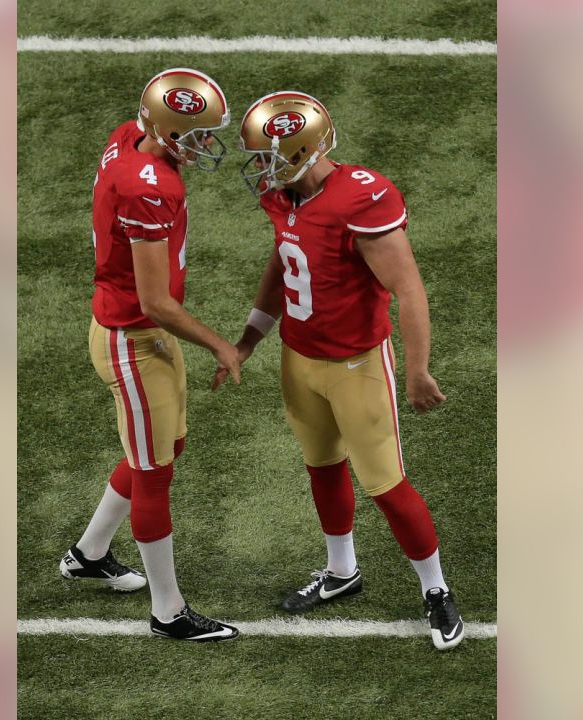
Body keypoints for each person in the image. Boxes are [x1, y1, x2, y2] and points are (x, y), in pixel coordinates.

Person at [218, 91, 464, 650]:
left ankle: (436, 589)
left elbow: (409, 290)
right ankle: (341, 571)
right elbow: (284, 259)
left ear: (304, 150)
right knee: (322, 469)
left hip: (356, 365)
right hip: (299, 357)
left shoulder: (361, 199)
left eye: (268, 156)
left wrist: (418, 371)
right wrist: (251, 337)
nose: (260, 168)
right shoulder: (285, 198)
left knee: (386, 484)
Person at [59, 68, 241, 642]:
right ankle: (168, 611)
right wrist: (219, 343)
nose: (203, 144)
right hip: (133, 339)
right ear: (162, 132)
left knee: (167, 448)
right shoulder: (152, 188)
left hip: (139, 333)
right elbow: (156, 302)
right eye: (194, 134)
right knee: (153, 473)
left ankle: (89, 553)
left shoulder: (125, 136)